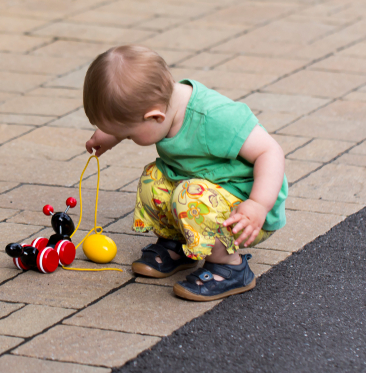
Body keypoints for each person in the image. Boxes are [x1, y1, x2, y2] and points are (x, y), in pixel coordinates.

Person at [83, 45, 287, 301]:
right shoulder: (161, 105)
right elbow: (131, 119)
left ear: (155, 117)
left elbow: (271, 151)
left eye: (129, 134)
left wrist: (258, 204)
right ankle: (179, 246)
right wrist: (110, 134)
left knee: (188, 196)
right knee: (154, 179)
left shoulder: (215, 117)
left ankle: (230, 267)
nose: (127, 138)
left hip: (244, 213)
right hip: (202, 193)